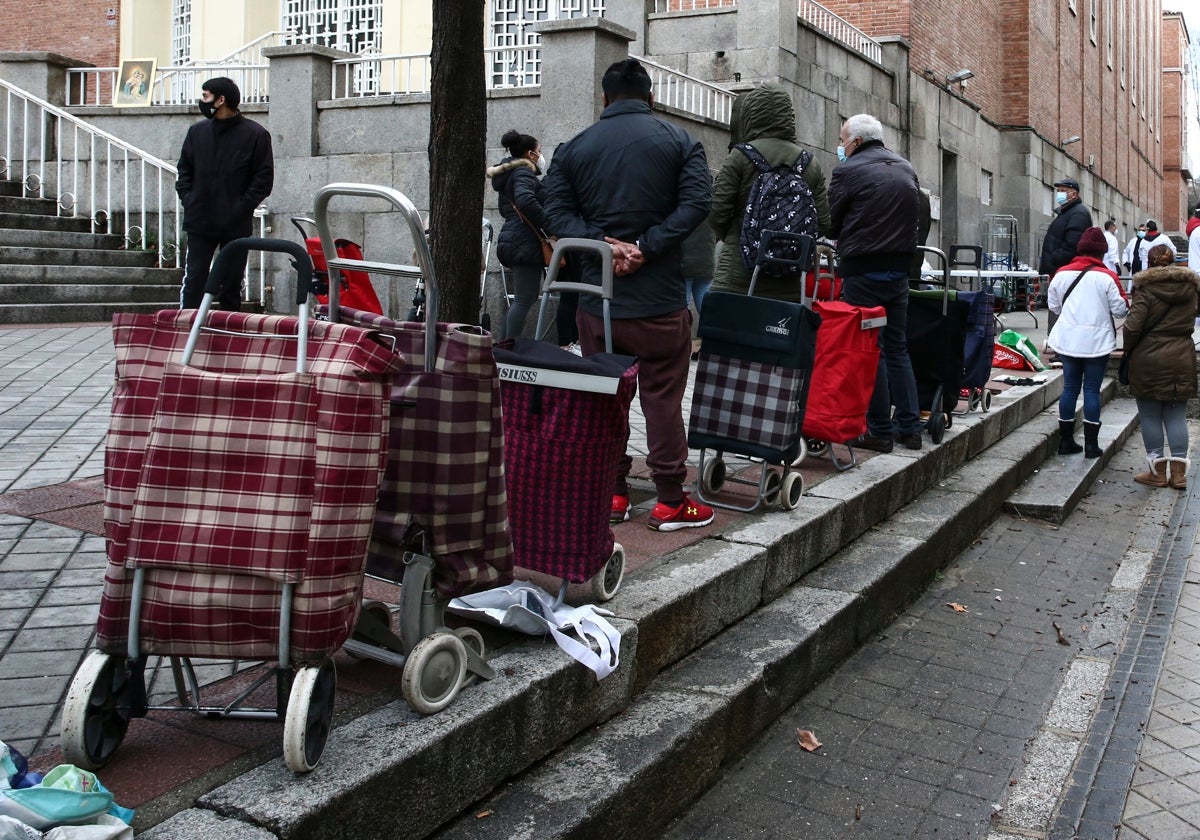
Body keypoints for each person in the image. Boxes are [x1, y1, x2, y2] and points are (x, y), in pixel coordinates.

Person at [543, 57, 714, 532]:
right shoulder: (681, 142)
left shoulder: (573, 148)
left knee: (605, 395)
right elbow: (698, 202)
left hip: (599, 303)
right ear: (651, 97)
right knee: (662, 398)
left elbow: (554, 211)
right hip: (660, 300)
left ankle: (613, 493)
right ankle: (669, 501)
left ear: (604, 98)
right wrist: (646, 246)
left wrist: (602, 245)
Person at [827, 113, 922, 453]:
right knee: (897, 347)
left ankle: (879, 430)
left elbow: (832, 221)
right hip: (899, 271)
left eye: (842, 140)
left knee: (871, 349)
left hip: (863, 271)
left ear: (855, 141)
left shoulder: (848, 170)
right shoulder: (905, 167)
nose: (840, 147)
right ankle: (910, 428)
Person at [707, 84, 830, 301]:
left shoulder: (740, 156)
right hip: (788, 279)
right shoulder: (810, 163)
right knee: (776, 332)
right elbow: (823, 222)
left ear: (751, 115)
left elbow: (717, 211)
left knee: (726, 332)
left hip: (738, 273)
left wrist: (739, 235)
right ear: (788, 116)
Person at [176, 77, 273, 311]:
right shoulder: (197, 132)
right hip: (199, 221)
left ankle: (229, 337)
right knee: (195, 280)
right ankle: (188, 333)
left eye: (206, 96)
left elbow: (263, 180)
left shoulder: (256, 135)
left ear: (221, 100)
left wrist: (241, 208)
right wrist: (189, 200)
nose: (202, 100)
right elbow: (184, 171)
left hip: (235, 225)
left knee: (231, 284)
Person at [1045, 227, 1129, 458]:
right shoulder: (1108, 277)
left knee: (1070, 387)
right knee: (1091, 389)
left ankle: (1065, 442)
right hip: (1097, 342)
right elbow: (1121, 310)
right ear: (1102, 253)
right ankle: (1091, 445)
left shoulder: (1061, 274)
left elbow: (1053, 306)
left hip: (1068, 340)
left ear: (1080, 249)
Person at [1124, 244, 1200, 488]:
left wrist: (1129, 348)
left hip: (1149, 357)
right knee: (1177, 415)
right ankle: (1178, 475)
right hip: (1181, 355)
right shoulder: (1192, 288)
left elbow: (1133, 327)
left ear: (1149, 261)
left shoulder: (1145, 289)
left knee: (1150, 416)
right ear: (1175, 261)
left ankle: (1157, 473)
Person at [488, 129, 548, 341]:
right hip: (524, 240)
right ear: (530, 154)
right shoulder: (523, 172)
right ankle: (506, 349)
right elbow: (525, 200)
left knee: (522, 299)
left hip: (514, 237)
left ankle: (504, 346)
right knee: (524, 298)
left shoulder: (509, 174)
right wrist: (548, 222)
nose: (541, 156)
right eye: (539, 151)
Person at [1038, 178, 1092, 279]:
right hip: (1058, 271)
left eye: (1063, 191)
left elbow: (1072, 246)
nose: (1059, 194)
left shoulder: (1078, 214)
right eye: (1058, 191)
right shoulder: (1066, 213)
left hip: (1063, 272)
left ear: (1074, 194)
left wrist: (1053, 259)